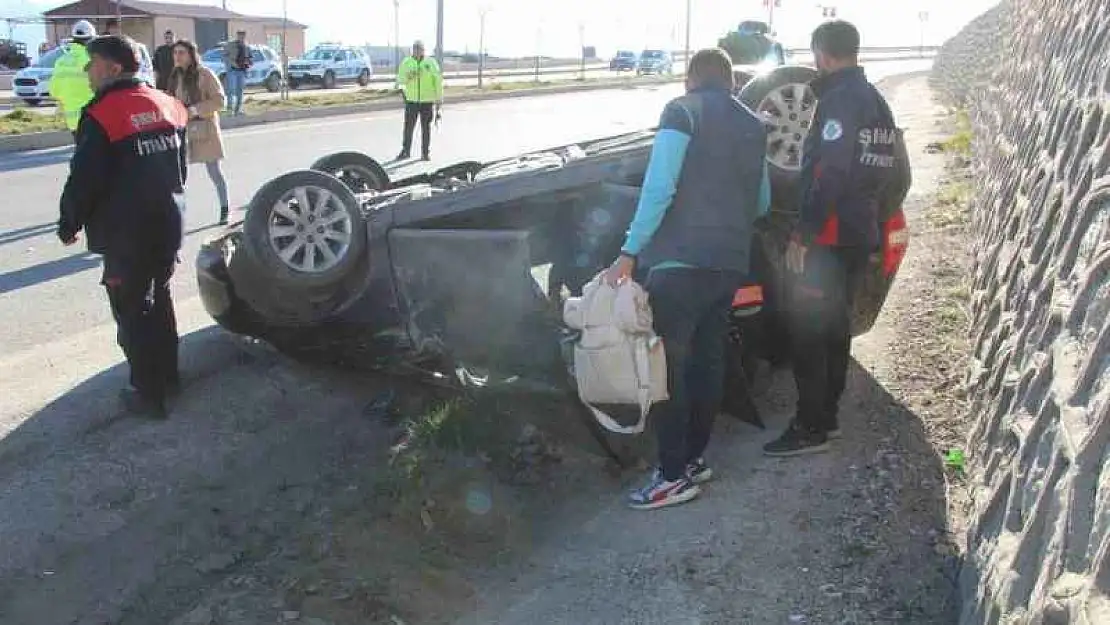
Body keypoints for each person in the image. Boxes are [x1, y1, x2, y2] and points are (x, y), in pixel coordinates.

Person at [604, 47, 770, 510]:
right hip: (729, 263)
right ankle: (694, 459)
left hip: (681, 264)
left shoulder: (682, 112)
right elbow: (761, 200)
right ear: (731, 81)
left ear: (689, 79)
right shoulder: (754, 124)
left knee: (667, 370)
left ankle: (671, 475)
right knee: (707, 362)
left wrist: (628, 252)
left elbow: (659, 187)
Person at [763, 20, 902, 457]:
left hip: (828, 234)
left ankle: (812, 425)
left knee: (809, 330)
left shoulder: (841, 100)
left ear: (822, 54)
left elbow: (831, 171)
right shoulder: (876, 101)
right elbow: (884, 168)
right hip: (859, 229)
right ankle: (828, 417)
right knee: (836, 325)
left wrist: (803, 234)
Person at [56, 34, 189, 420]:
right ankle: (169, 377)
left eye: (91, 62)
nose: (86, 70)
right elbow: (180, 171)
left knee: (132, 313)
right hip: (167, 223)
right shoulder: (169, 104)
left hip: (126, 234)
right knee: (160, 301)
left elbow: (84, 179)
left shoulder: (102, 113)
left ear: (113, 67)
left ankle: (147, 394)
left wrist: (69, 223)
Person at [167, 39, 231, 225]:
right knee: (178, 176)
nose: (177, 57)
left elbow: (219, 101)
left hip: (204, 129)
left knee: (214, 172)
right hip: (181, 130)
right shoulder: (175, 76)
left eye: (181, 53)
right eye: (175, 53)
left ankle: (225, 208)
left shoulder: (205, 74)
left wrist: (194, 110)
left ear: (191, 55)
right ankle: (177, 218)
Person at [395, 40, 443, 161]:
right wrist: (405, 83)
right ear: (413, 50)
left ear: (423, 50)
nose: (417, 51)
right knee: (408, 127)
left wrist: (439, 99)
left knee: (426, 127)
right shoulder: (406, 62)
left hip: (427, 101)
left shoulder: (431, 63)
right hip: (411, 101)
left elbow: (437, 81)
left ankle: (425, 153)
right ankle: (406, 151)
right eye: (415, 48)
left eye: (420, 49)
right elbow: (400, 81)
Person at [52, 20, 96, 141]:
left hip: (73, 122)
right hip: (93, 118)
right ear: (90, 39)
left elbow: (54, 91)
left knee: (83, 155)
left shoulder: (61, 61)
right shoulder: (91, 59)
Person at [223, 30, 251, 116]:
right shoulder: (231, 44)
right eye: (240, 35)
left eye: (243, 35)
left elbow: (249, 58)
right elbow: (225, 56)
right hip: (233, 70)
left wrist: (247, 64)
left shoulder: (246, 46)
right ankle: (230, 110)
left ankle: (238, 110)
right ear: (237, 35)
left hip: (241, 71)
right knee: (231, 90)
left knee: (240, 91)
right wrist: (232, 64)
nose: (241, 36)